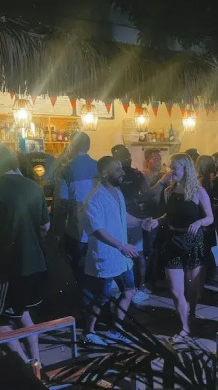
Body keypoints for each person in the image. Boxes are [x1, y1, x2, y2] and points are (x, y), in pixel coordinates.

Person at [0, 146, 49, 364]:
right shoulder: (34, 187)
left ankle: (24, 364)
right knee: (22, 311)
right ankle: (36, 362)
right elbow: (46, 225)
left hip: (10, 268)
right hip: (36, 265)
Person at [82, 156, 154, 346]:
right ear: (105, 173)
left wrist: (140, 222)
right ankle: (88, 332)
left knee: (129, 291)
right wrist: (121, 246)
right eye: (117, 169)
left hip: (122, 257)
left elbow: (123, 216)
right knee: (101, 298)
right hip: (106, 258)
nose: (123, 173)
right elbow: (97, 230)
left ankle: (116, 329)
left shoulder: (117, 191)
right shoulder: (94, 199)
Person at [151, 154, 213, 338]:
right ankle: (185, 327)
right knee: (176, 291)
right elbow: (167, 216)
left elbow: (210, 217)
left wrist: (199, 222)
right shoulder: (168, 192)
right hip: (173, 241)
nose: (170, 171)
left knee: (193, 290)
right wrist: (156, 221)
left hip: (193, 242)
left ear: (185, 169)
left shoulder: (198, 191)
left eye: (174, 168)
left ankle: (191, 313)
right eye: (170, 167)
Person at [54, 132, 97, 289]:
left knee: (79, 272)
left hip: (76, 229)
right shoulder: (99, 166)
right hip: (98, 228)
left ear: (71, 146)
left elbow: (61, 203)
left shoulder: (65, 169)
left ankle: (83, 299)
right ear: (88, 146)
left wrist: (57, 232)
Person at [111, 144, 150, 303]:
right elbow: (146, 193)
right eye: (125, 155)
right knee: (129, 254)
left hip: (130, 218)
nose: (128, 158)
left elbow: (146, 193)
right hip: (123, 218)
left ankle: (137, 288)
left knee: (136, 254)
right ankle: (132, 289)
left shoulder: (133, 174)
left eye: (127, 155)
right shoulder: (130, 174)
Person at [195, 155, 218, 281]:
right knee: (207, 248)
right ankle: (211, 273)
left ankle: (208, 274)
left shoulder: (201, 181)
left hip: (202, 216)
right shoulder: (212, 179)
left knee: (203, 248)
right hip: (210, 217)